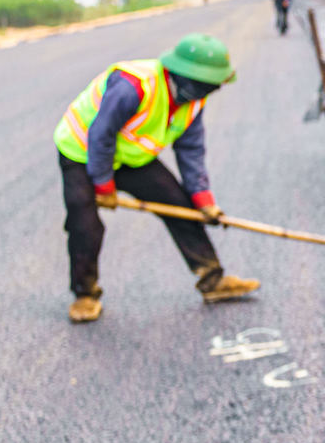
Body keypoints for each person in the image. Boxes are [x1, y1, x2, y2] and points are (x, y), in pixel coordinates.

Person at [55, 33, 260, 323]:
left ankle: (212, 280)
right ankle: (85, 294)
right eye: (209, 84)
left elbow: (190, 149)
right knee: (84, 224)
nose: (212, 91)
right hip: (83, 152)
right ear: (186, 75)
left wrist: (203, 199)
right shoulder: (134, 87)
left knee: (180, 206)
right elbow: (101, 134)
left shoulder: (193, 100)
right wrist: (103, 185)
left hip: (130, 159)